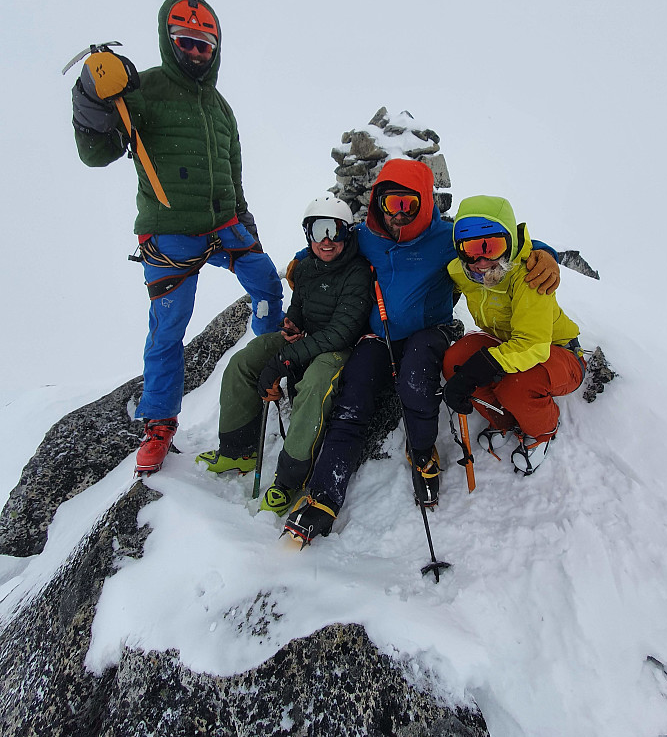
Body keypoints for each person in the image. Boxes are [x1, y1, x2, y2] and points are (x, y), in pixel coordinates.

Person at [282, 159, 561, 546]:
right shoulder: (367, 237)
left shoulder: (444, 237)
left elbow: (498, 241)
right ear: (378, 203)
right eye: (390, 203)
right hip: (380, 334)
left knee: (415, 381)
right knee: (354, 394)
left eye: (408, 204)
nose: (398, 215)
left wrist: (546, 254)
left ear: (425, 203)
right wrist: (301, 256)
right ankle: (323, 496)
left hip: (431, 331)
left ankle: (423, 453)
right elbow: (334, 243)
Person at [71, 0, 283, 474]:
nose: (194, 53)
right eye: (186, 42)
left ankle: (273, 365)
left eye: (204, 46)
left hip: (225, 225)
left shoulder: (221, 109)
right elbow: (97, 153)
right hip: (169, 235)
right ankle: (159, 425)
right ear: (170, 41)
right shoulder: (141, 90)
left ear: (216, 50)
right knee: (168, 329)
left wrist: (245, 221)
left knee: (267, 282)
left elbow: (233, 175)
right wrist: (89, 98)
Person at [196, 195, 373, 515]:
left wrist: (285, 360)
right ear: (308, 234)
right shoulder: (305, 267)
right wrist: (292, 326)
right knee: (244, 360)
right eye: (319, 230)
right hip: (308, 339)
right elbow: (300, 310)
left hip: (339, 349)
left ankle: (291, 478)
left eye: (336, 231)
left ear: (348, 233)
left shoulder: (357, 272)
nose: (327, 241)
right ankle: (238, 450)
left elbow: (341, 333)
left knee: (316, 381)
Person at [442, 195, 585, 475]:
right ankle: (504, 420)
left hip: (559, 353)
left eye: (492, 246)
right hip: (507, 342)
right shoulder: (461, 271)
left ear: (509, 243)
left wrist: (479, 370)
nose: (481, 260)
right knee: (455, 361)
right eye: (470, 249)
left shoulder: (530, 275)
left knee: (516, 383)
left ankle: (543, 431)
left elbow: (533, 345)